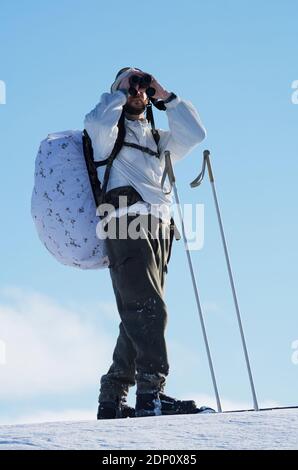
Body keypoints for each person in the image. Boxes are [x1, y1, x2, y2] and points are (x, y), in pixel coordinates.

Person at [84, 67, 207, 419]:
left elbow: (196, 134)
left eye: (142, 84)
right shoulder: (109, 134)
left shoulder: (157, 138)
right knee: (148, 309)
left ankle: (113, 396)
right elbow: (95, 122)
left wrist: (164, 94)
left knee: (137, 313)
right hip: (126, 224)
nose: (139, 89)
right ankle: (151, 392)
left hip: (160, 229)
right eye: (131, 84)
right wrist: (121, 92)